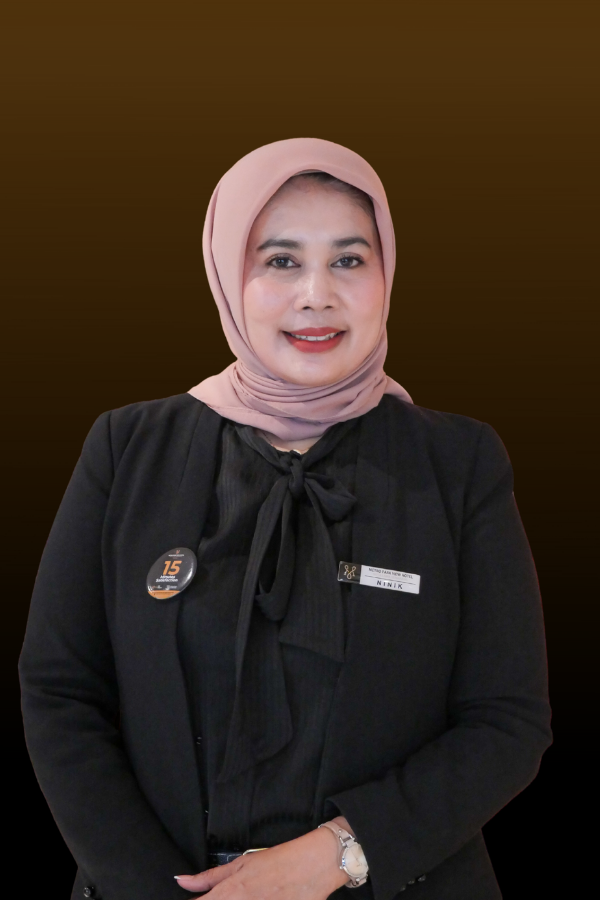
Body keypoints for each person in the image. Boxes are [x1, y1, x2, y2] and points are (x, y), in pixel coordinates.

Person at [19, 138, 552, 900]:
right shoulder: (126, 448)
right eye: (279, 260)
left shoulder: (460, 464)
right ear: (226, 273)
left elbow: (507, 721)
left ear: (387, 273)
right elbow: (60, 690)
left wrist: (336, 856)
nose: (316, 294)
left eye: (348, 259)